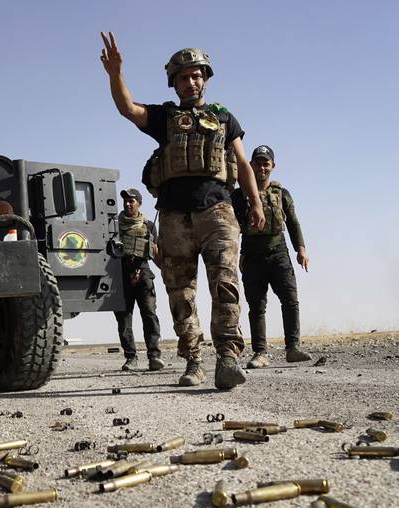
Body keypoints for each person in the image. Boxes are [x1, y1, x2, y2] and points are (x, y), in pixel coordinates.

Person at [100, 32, 265, 389]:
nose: (191, 82)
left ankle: (228, 357)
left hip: (218, 211)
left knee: (225, 283)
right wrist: (116, 75)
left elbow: (242, 162)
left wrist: (255, 202)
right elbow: (128, 108)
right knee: (181, 292)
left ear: (204, 78)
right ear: (173, 83)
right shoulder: (165, 117)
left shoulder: (224, 118)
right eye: (183, 77)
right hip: (174, 216)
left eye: (196, 75)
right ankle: (193, 361)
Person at [231, 145, 311, 368]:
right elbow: (231, 227)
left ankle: (292, 348)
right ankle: (260, 353)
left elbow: (293, 222)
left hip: (279, 253)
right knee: (256, 305)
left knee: (290, 300)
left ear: (273, 166)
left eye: (266, 163)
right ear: (251, 166)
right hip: (252, 255)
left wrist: (301, 249)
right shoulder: (238, 196)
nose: (262, 167)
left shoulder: (282, 194)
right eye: (257, 163)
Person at [114, 187, 164, 372]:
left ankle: (154, 356)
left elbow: (156, 252)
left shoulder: (149, 225)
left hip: (143, 273)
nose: (128, 203)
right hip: (120, 275)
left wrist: (166, 272)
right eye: (125, 201)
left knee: (149, 315)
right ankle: (130, 358)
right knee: (124, 319)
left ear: (139, 203)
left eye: (131, 200)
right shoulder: (114, 226)